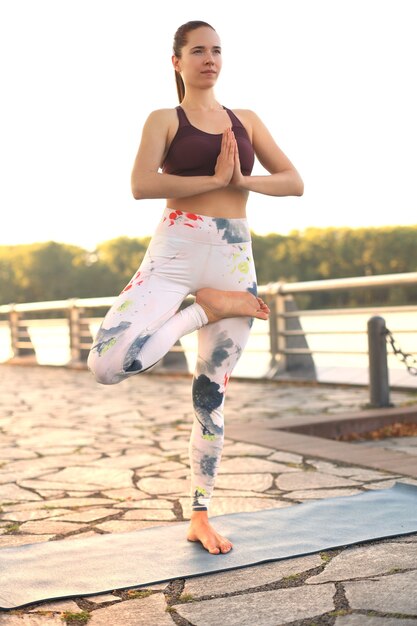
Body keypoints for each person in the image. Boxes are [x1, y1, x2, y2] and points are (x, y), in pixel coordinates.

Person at [87, 20, 303, 555]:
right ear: (177, 62)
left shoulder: (245, 119)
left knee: (211, 397)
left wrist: (242, 181)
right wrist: (212, 179)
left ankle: (200, 515)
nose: (210, 58)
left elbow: (293, 181)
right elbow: (142, 184)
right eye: (198, 50)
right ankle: (197, 313)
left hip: (232, 257)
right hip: (174, 256)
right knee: (107, 364)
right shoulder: (164, 119)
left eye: (217, 50)